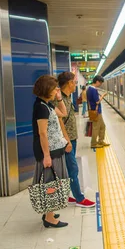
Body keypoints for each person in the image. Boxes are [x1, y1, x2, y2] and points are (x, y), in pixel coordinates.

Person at [32, 75, 70, 228]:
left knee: (54, 181)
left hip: (55, 150)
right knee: (51, 183)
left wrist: (59, 98)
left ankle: (50, 212)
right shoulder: (41, 107)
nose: (57, 90)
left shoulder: (46, 104)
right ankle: (49, 218)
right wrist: (46, 156)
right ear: (46, 89)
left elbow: (63, 113)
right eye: (54, 88)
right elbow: (42, 133)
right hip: (50, 152)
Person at [54, 73, 95, 208]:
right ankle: (79, 199)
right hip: (66, 141)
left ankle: (67, 194)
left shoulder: (66, 98)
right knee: (73, 169)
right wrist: (67, 141)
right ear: (69, 83)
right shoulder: (59, 100)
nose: (75, 85)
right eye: (74, 82)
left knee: (68, 169)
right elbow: (59, 123)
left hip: (71, 139)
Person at [87, 75, 109, 149]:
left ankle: (100, 141)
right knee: (96, 128)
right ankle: (93, 143)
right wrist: (103, 96)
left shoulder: (89, 89)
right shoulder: (93, 90)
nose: (100, 84)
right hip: (96, 112)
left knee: (102, 126)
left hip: (95, 111)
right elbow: (97, 102)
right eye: (100, 83)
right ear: (97, 81)